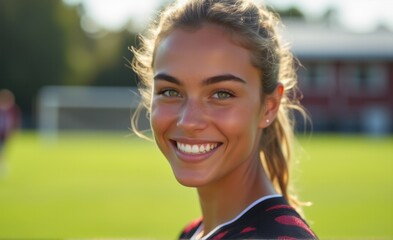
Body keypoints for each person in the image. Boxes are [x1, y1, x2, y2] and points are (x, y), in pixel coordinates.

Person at [131, 0, 317, 238]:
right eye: (170, 92)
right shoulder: (192, 232)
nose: (188, 121)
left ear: (269, 107)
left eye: (221, 94)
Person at [0, 89, 21, 173]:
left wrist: (14, 132)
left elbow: (15, 122)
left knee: (3, 150)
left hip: (5, 134)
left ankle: (3, 165)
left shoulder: (13, 109)